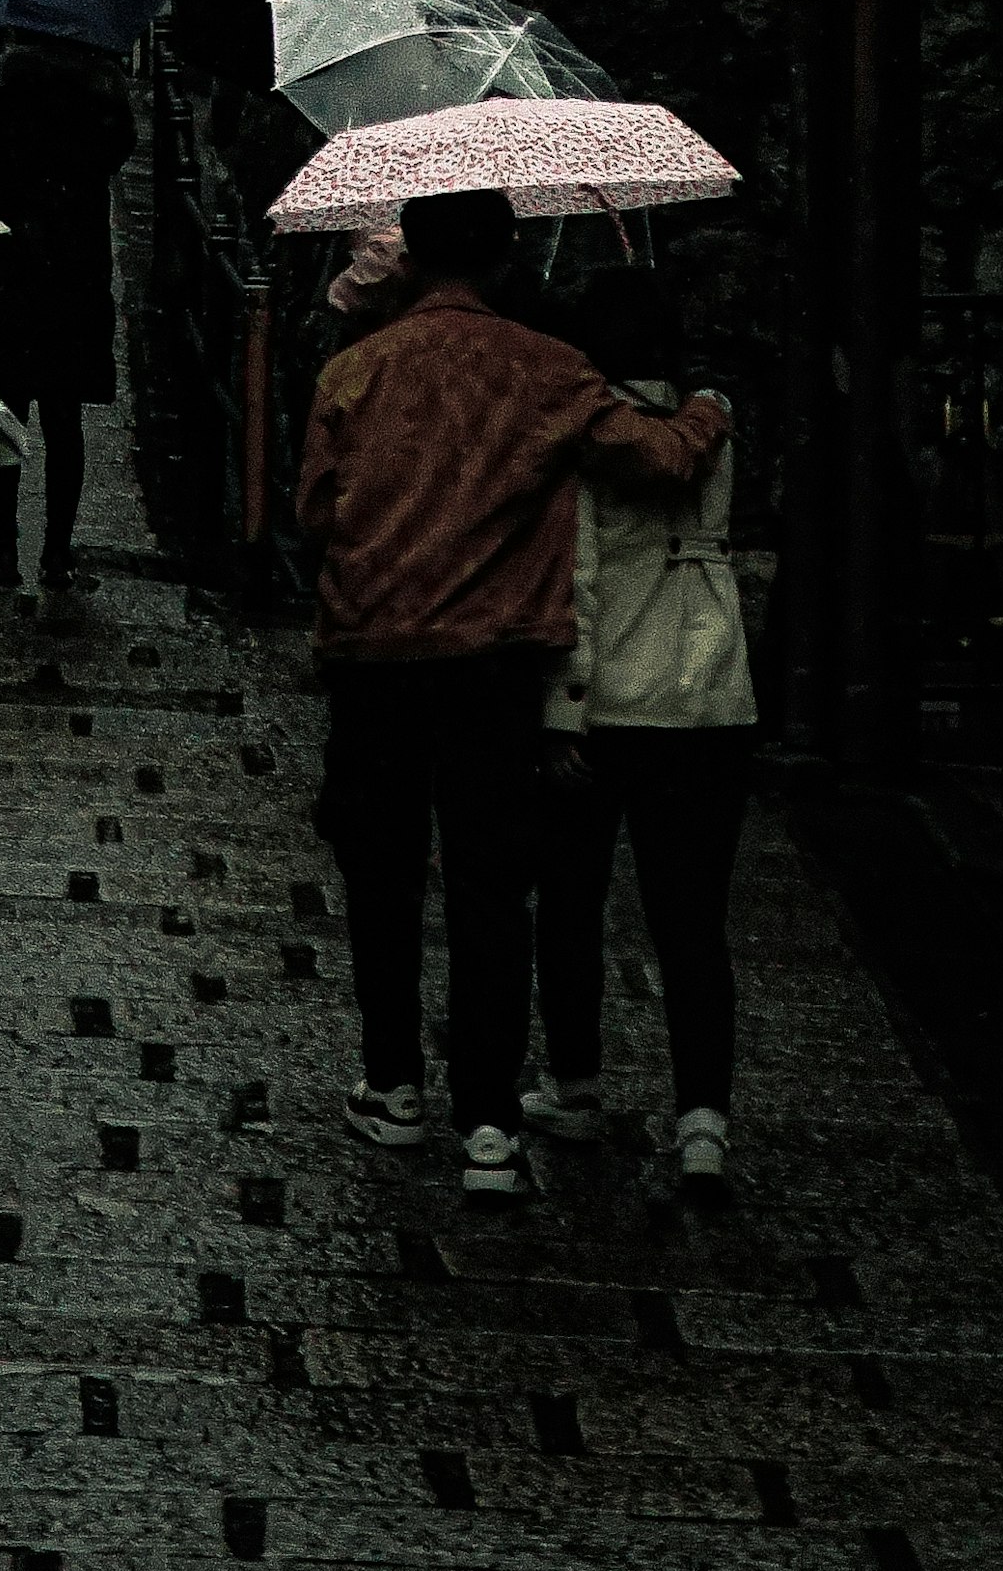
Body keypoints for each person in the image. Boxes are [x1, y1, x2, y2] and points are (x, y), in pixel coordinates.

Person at [293, 193, 725, 1201]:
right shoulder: (547, 369)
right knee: (492, 891)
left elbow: (315, 510)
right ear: (505, 258)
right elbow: (661, 454)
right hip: (490, 669)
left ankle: (394, 1084)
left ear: (412, 260)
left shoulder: (355, 369)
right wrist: (711, 408)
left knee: (383, 879)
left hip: (374, 657)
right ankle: (488, 1121)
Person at [524, 268, 758, 1187]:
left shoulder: (590, 442)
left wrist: (560, 714)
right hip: (710, 697)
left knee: (574, 904)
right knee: (693, 919)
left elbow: (578, 578)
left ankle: (575, 1085)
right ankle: (703, 1119)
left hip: (610, 699)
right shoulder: (715, 422)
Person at [0, 38, 127, 589]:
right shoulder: (94, 96)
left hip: (8, 274)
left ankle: (3, 549)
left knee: (8, 416)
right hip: (71, 274)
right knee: (62, 417)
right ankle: (56, 551)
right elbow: (119, 148)